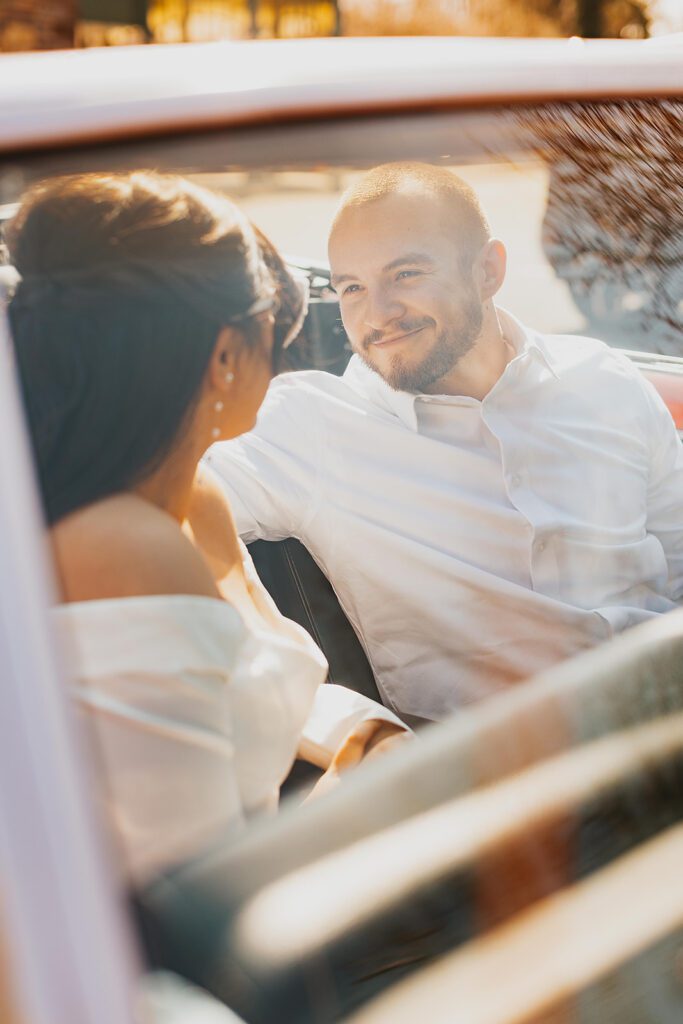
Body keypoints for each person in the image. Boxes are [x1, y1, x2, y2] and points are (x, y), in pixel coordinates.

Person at [6, 171, 407, 885]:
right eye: (277, 338)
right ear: (225, 357)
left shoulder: (194, 496)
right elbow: (192, 891)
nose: (285, 363)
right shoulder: (118, 549)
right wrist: (373, 804)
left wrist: (364, 734)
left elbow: (246, 678)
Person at [205, 162, 683, 725]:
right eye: (352, 288)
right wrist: (314, 703)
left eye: (405, 274)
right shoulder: (310, 426)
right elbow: (154, 504)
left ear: (488, 270)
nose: (377, 314)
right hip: (503, 774)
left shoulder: (605, 379)